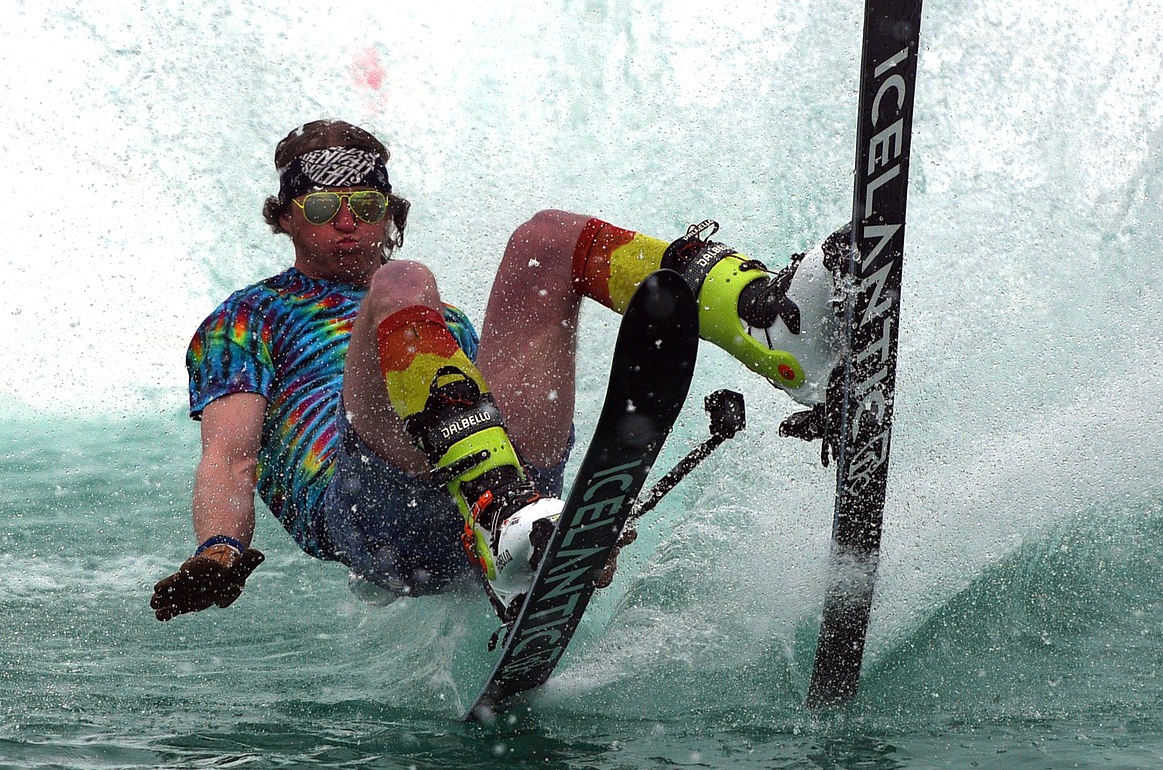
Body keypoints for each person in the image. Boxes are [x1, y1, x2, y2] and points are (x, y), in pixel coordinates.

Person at [150, 119, 846, 623]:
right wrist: (218, 548)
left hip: (488, 476)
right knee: (403, 286)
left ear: (390, 213)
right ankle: (507, 519)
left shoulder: (434, 324)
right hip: (367, 508)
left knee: (547, 236)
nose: (347, 225)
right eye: (324, 209)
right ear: (286, 218)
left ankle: (774, 325)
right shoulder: (247, 318)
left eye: (366, 207)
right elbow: (230, 457)